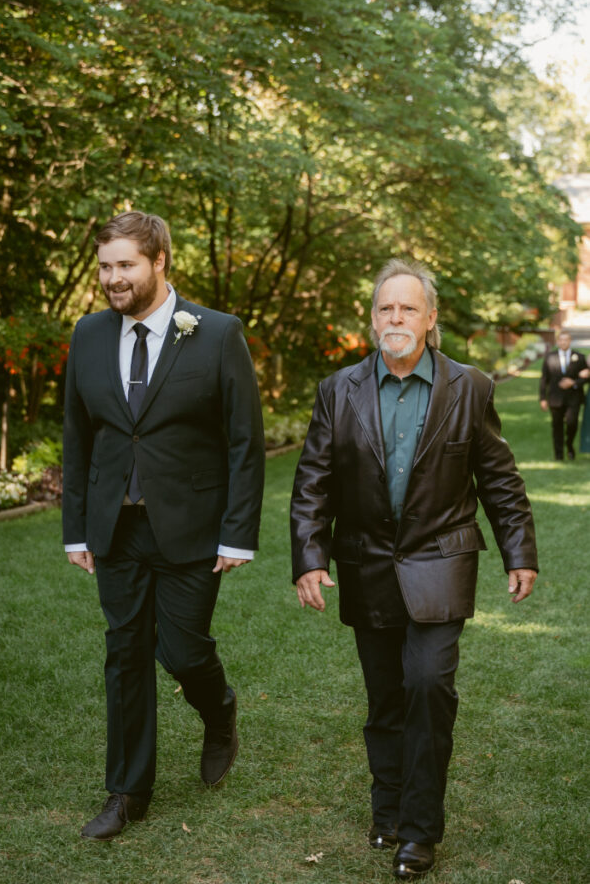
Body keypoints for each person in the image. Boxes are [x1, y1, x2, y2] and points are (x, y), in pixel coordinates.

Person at [290, 258, 538, 881]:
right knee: (385, 699)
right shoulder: (337, 390)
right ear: (372, 319)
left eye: (407, 308)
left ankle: (420, 830)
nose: (395, 318)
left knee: (429, 686)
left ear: (430, 319)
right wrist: (309, 557)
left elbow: (500, 481)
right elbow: (312, 484)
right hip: (367, 563)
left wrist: (520, 551)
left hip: (441, 562)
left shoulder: (470, 387)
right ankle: (388, 808)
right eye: (385, 309)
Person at [63, 211, 265, 841]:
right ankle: (127, 791)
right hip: (115, 529)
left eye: (125, 265)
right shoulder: (88, 334)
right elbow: (77, 436)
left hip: (191, 528)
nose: (112, 278)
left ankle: (219, 708)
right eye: (104, 266)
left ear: (160, 262)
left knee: (180, 650)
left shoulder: (217, 333)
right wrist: (76, 528)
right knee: (124, 654)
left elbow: (244, 443)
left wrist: (236, 534)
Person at [539, 329, 587, 460]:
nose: (563, 342)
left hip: (574, 398)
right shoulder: (550, 357)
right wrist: (543, 398)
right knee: (557, 426)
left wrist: (574, 382)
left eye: (566, 340)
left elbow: (586, 377)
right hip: (555, 398)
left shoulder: (579, 357)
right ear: (557, 341)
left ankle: (569, 445)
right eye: (561, 340)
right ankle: (559, 454)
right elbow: (544, 379)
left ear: (570, 341)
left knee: (572, 424)